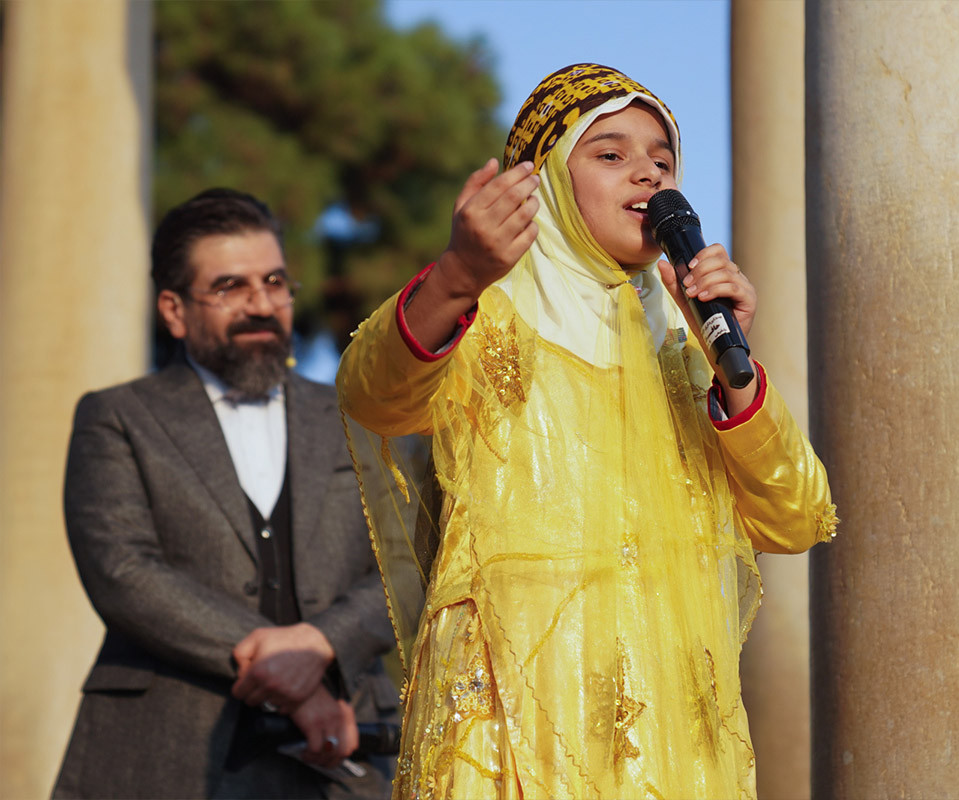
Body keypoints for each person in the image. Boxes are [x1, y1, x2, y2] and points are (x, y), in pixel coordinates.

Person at [338, 64, 838, 799]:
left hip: (669, 740)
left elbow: (797, 516)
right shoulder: (484, 315)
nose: (649, 173)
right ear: (540, 184)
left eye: (663, 160)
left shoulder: (684, 353)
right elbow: (372, 396)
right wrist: (455, 277)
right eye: (610, 154)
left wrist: (729, 365)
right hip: (512, 727)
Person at [53, 189, 398, 799]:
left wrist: (322, 643)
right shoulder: (117, 417)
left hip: (344, 749)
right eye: (230, 287)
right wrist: (288, 677)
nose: (261, 305)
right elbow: (122, 570)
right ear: (174, 310)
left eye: (274, 282)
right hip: (162, 754)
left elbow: (407, 564)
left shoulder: (359, 417)